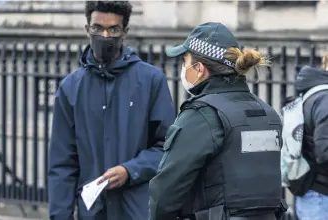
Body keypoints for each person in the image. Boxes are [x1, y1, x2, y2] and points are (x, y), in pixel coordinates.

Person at [47, 1, 176, 219]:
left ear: (125, 32)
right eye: (98, 28)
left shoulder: (151, 80)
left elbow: (167, 148)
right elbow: (62, 164)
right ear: (87, 29)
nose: (105, 36)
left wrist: (131, 170)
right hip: (94, 211)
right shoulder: (71, 88)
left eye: (113, 29)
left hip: (137, 211)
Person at [148, 22, 286, 220]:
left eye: (185, 61)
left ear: (200, 68)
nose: (183, 68)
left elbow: (165, 193)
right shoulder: (268, 114)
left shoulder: (201, 115)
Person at [289, 53, 328, 219]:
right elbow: (325, 151)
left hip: (311, 193)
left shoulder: (313, 94)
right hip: (321, 197)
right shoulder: (325, 98)